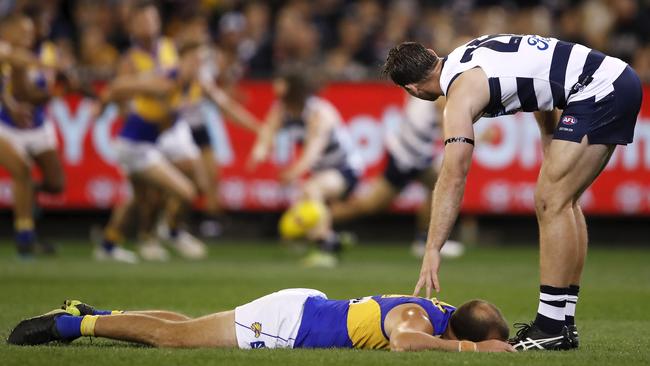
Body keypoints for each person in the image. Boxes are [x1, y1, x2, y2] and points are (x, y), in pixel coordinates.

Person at [382, 35, 642, 350]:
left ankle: (549, 326)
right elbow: (538, 77)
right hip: (610, 78)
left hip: (598, 89)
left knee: (551, 201)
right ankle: (562, 322)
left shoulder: (457, 99)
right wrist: (549, 133)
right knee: (563, 201)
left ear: (412, 90)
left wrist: (433, 246)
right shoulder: (468, 52)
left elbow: (453, 175)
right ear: (433, 54)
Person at [8, 289, 514, 353]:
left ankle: (98, 315)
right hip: (288, 326)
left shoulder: (449, 315)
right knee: (176, 340)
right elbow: (405, 345)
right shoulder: (417, 320)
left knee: (189, 323)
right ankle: (67, 327)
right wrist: (476, 352)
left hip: (300, 311)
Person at [249, 68, 364, 268]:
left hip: (345, 168)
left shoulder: (318, 113)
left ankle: (326, 249)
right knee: (299, 218)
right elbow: (268, 130)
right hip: (322, 171)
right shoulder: (282, 109)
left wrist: (293, 172)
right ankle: (334, 238)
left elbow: (313, 152)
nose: (276, 88)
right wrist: (259, 152)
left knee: (312, 190)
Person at [330, 95, 464, 258]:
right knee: (369, 206)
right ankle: (318, 223)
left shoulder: (425, 89)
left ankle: (425, 240)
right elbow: (451, 133)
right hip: (406, 160)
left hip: (416, 157)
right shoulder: (440, 96)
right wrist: (480, 137)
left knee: (439, 186)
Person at [0, 13, 64, 257]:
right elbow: (14, 59)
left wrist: (12, 107)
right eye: (22, 31)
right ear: (6, 31)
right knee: (21, 169)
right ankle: (25, 239)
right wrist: (49, 66)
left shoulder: (37, 53)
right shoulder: (6, 48)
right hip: (5, 127)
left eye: (30, 31)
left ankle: (25, 238)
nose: (28, 36)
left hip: (31, 125)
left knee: (33, 175)